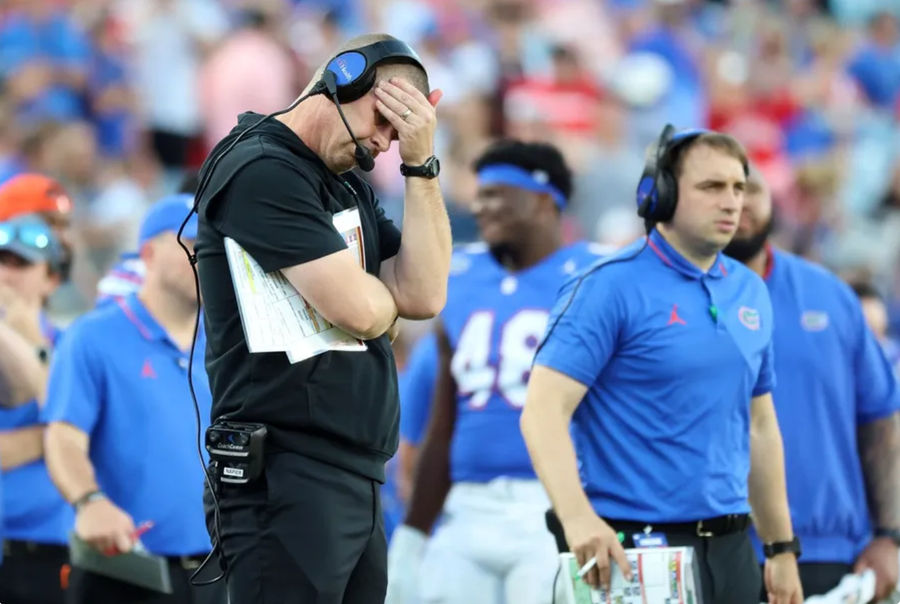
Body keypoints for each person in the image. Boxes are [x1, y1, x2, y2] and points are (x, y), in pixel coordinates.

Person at [193, 33, 451, 603]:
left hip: (350, 471)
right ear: (341, 79)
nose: (382, 144)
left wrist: (422, 164)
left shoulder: (345, 179)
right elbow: (363, 310)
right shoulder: (260, 167)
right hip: (286, 470)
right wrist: (381, 308)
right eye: (383, 122)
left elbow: (426, 294)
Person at [520, 125, 804, 604]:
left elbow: (760, 427)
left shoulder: (750, 289)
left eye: (739, 187)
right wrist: (577, 517)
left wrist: (780, 548)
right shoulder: (607, 286)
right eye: (712, 187)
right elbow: (543, 411)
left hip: (731, 549)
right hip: (632, 549)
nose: (733, 202)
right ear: (661, 194)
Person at [386, 140, 605, 604]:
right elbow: (441, 423)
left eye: (497, 193)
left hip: (556, 501)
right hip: (466, 506)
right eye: (479, 193)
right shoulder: (461, 275)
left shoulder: (598, 276)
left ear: (545, 201)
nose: (480, 205)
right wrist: (412, 533)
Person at [723, 169, 900, 601]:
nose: (740, 203)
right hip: (707, 547)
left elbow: (881, 420)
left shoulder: (831, 296)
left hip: (824, 551)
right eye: (720, 188)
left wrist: (890, 536)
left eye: (752, 188)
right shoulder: (656, 295)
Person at [42, 195, 223, 604]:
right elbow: (63, 436)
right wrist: (89, 501)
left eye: (215, 246)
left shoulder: (228, 342)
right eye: (194, 246)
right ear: (148, 254)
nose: (208, 257)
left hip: (220, 572)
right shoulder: (93, 336)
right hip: (127, 572)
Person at [0, 213, 70, 604]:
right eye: (1, 261)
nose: (8, 275)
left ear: (51, 279)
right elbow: (64, 435)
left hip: (49, 551)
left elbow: (68, 423)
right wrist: (52, 440)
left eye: (22, 264)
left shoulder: (75, 347)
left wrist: (24, 334)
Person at [849, 280, 900, 376]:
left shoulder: (895, 353)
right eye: (867, 316)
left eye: (876, 313)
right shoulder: (849, 361)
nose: (873, 321)